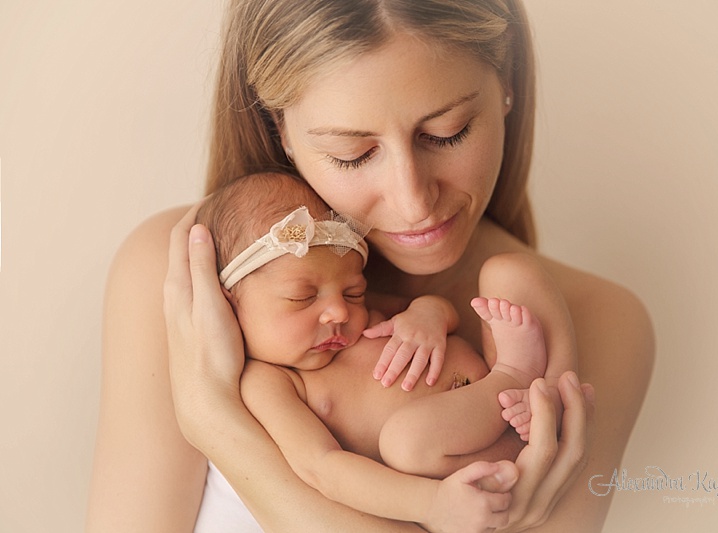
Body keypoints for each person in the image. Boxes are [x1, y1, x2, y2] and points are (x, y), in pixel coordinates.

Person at [87, 1, 654, 531]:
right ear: (279, 128)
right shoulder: (186, 271)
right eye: (352, 154)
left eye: (446, 132)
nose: (413, 203)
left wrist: (214, 419)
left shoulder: (599, 320)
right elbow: (319, 465)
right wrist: (207, 414)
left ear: (507, 83)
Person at [194, 170, 547, 532]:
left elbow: (435, 309)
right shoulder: (269, 381)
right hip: (455, 458)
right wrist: (432, 504)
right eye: (303, 297)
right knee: (404, 444)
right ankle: (516, 375)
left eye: (353, 292)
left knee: (513, 275)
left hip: (486, 403)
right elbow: (322, 466)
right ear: (229, 305)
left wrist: (427, 314)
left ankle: (520, 387)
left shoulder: (358, 321)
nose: (339, 311)